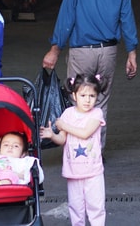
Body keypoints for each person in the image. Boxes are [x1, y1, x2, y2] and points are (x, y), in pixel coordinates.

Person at [42, 0, 138, 141]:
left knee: (78, 99)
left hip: (81, 53)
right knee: (100, 101)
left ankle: (77, 150)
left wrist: (55, 49)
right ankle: (96, 151)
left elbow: (66, 19)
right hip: (108, 53)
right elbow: (127, 20)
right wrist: (132, 52)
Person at [40, 73, 107, 226]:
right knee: (76, 207)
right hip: (73, 171)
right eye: (83, 95)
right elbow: (63, 139)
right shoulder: (68, 114)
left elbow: (84, 133)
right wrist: (52, 135)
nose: (87, 100)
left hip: (93, 171)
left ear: (97, 97)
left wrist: (64, 126)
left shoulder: (96, 114)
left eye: (92, 95)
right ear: (74, 95)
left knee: (96, 206)